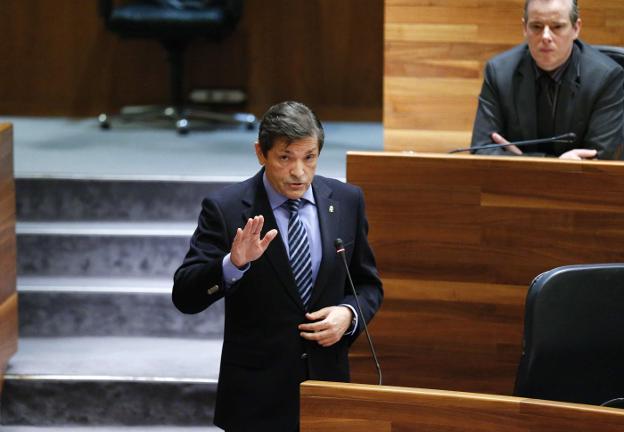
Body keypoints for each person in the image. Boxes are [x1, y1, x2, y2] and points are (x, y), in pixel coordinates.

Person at [172, 101, 383, 432]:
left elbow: (368, 285)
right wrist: (233, 264)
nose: (299, 171)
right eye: (286, 158)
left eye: (309, 157)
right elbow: (185, 296)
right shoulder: (226, 209)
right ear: (261, 153)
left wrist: (349, 315)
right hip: (256, 398)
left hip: (326, 388)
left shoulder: (346, 201)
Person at [470, 0, 624, 160]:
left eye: (557, 27)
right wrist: (554, 164)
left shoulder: (606, 77)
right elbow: (480, 150)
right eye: (536, 26)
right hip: (515, 184)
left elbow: (602, 159)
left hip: (578, 185)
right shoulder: (499, 72)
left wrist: (521, 159)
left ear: (576, 28)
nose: (545, 36)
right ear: (525, 28)